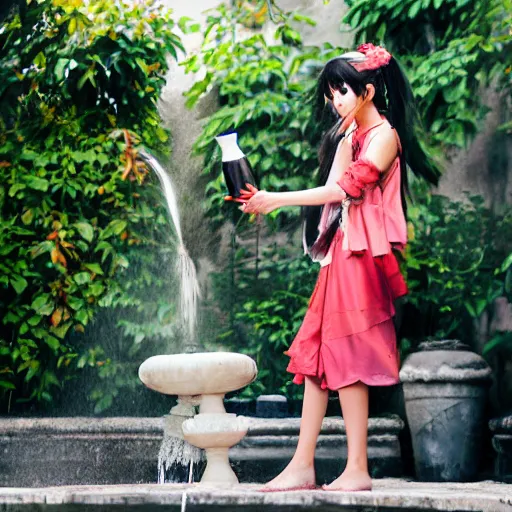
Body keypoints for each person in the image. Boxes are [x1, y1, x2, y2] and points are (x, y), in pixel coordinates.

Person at [236, 43, 440, 492]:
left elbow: (342, 192)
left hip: (361, 257)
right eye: (331, 93)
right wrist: (267, 200)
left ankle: (357, 470)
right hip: (342, 253)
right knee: (315, 358)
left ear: (368, 91)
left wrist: (277, 200)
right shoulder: (353, 133)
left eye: (342, 91)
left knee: (347, 357)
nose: (335, 100)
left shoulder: (385, 136)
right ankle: (302, 465)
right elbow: (331, 187)